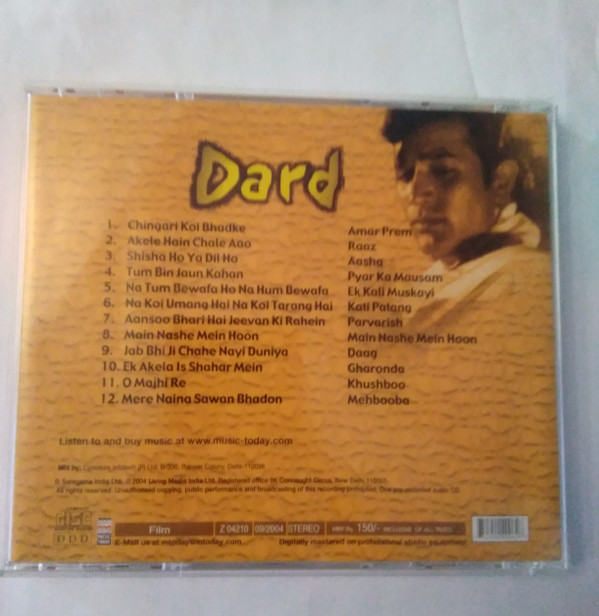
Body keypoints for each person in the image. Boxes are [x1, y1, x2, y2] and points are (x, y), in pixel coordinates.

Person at [381, 109, 553, 333]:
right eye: (406, 174)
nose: (415, 192)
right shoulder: (435, 281)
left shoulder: (526, 280)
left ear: (500, 182)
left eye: (443, 171)